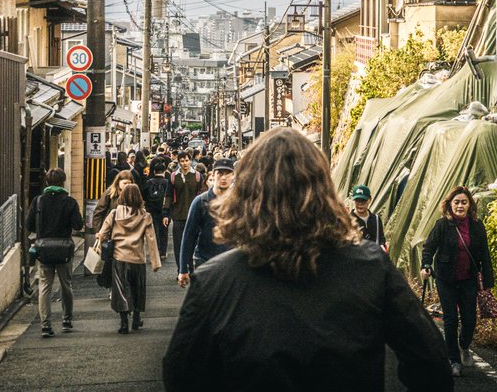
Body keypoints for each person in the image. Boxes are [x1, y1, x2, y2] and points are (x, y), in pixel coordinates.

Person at [162, 128, 450, 391]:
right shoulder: (370, 267)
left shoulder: (214, 280)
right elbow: (431, 361)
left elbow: (181, 375)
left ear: (246, 195)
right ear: (324, 191)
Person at [420, 186, 494, 378]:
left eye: (464, 202)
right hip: (446, 280)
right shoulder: (442, 225)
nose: (460, 205)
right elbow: (429, 247)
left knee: (470, 320)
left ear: (470, 205)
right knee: (451, 319)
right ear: (449, 205)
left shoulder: (477, 226)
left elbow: (485, 254)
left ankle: (464, 345)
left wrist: (487, 278)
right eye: (456, 202)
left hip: (468, 279)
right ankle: (454, 360)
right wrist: (426, 265)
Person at [24, 168, 84, 337]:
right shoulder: (70, 202)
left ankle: (45, 325)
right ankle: (66, 320)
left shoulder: (38, 201)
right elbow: (78, 225)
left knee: (44, 286)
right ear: (63, 182)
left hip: (44, 249)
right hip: (64, 249)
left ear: (47, 182)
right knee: (66, 285)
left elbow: (29, 226)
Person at [96, 183, 161, 333]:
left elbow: (103, 233)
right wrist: (155, 262)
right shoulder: (145, 216)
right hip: (138, 258)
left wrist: (102, 240)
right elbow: (151, 239)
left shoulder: (114, 214)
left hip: (119, 257)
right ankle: (137, 318)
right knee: (137, 288)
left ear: (122, 196)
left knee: (121, 290)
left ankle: (124, 322)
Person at [176, 157, 233, 286]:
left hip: (232, 265)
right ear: (213, 174)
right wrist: (183, 269)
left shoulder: (239, 201)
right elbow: (188, 236)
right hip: (205, 261)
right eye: (220, 173)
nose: (223, 178)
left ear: (233, 176)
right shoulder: (201, 202)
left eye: (227, 173)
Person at [165, 153, 204, 268]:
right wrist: (165, 213)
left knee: (193, 243)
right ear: (178, 162)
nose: (185, 163)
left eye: (187, 160)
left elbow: (201, 195)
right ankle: (181, 268)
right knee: (179, 245)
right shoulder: (173, 177)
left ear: (190, 161)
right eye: (182, 161)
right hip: (178, 216)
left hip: (194, 216)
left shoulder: (197, 176)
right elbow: (169, 196)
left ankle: (192, 267)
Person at [143, 160, 172, 262]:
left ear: (154, 171)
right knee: (164, 231)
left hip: (151, 210)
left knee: (154, 231)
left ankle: (155, 252)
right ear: (164, 171)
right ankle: (163, 252)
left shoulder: (148, 182)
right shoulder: (167, 182)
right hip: (164, 210)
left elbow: (144, 197)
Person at [349, 184, 388, 252]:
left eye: (363, 200)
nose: (360, 204)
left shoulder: (376, 219)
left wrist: (383, 247)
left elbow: (381, 240)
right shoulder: (347, 220)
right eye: (357, 201)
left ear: (369, 200)